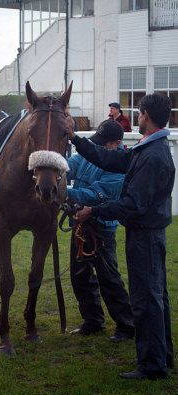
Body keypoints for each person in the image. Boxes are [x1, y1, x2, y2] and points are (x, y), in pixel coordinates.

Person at [67, 93, 175, 380]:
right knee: (156, 296)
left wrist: (93, 210)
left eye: (139, 114)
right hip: (148, 234)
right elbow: (108, 158)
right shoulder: (150, 149)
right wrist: (75, 138)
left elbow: (131, 206)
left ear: (146, 116)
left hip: (145, 236)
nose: (137, 118)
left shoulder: (152, 156)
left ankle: (152, 366)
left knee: (146, 299)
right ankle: (162, 356)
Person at [67, 119, 135, 342]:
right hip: (81, 226)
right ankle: (93, 321)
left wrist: (63, 191)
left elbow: (95, 195)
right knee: (79, 277)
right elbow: (69, 165)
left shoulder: (120, 169)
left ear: (117, 143)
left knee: (109, 279)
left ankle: (126, 326)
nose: (97, 148)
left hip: (102, 230)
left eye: (102, 144)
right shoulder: (90, 156)